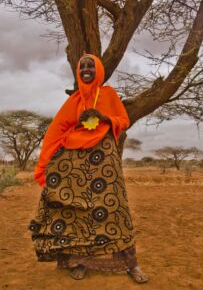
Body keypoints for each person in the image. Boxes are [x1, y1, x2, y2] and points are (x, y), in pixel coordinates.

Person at [28, 54, 149, 283]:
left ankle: (131, 264)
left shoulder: (109, 94)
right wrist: (45, 163)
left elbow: (123, 120)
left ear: (99, 70)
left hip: (104, 161)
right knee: (76, 210)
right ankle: (77, 262)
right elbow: (57, 129)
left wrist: (103, 117)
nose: (85, 69)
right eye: (81, 66)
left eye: (90, 66)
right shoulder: (74, 100)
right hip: (76, 163)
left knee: (116, 210)